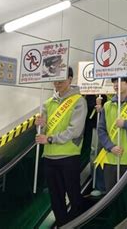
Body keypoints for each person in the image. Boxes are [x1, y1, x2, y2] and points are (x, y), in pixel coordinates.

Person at [35, 67, 87, 227]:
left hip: (69, 156)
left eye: (61, 80)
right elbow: (42, 132)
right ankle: (62, 224)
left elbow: (75, 130)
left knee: (74, 195)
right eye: (55, 80)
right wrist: (40, 126)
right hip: (49, 157)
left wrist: (50, 139)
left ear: (70, 79)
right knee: (55, 198)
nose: (57, 83)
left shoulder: (78, 101)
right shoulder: (47, 103)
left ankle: (78, 224)